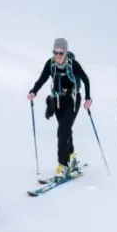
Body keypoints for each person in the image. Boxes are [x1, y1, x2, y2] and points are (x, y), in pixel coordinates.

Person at [27, 38, 91, 180]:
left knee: (62, 131)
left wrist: (88, 98)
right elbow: (42, 79)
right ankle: (72, 157)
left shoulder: (73, 64)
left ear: (66, 52)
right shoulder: (50, 64)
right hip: (57, 101)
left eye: (61, 53)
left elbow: (86, 79)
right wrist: (33, 91)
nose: (58, 56)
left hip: (72, 100)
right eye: (56, 53)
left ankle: (63, 165)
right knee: (66, 130)